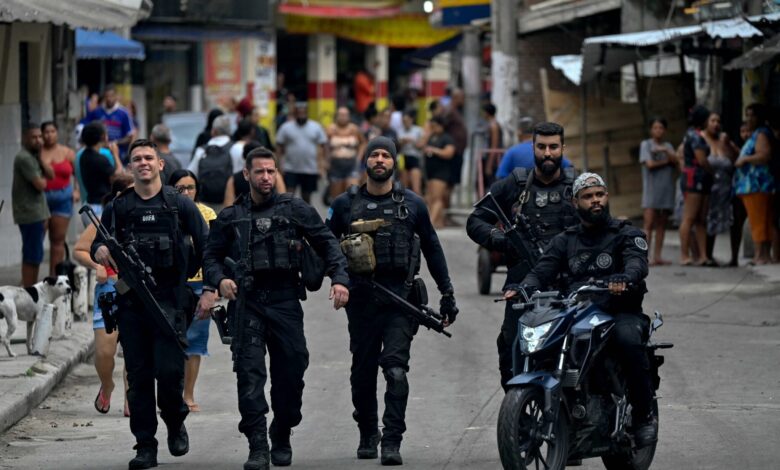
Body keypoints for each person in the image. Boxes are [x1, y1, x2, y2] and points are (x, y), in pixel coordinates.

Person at [203, 146, 350, 469]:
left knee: (292, 372)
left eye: (271, 171)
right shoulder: (231, 216)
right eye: (260, 172)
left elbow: (328, 245)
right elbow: (210, 258)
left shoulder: (295, 209)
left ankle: (282, 430)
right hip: (248, 304)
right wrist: (220, 281)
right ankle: (258, 445)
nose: (266, 177)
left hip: (285, 301)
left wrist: (340, 280)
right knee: (249, 376)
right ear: (247, 175)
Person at [327, 136, 458, 466]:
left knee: (396, 370)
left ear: (395, 162)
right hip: (361, 301)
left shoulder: (412, 204)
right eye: (375, 155)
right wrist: (336, 280)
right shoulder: (345, 204)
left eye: (386, 155)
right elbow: (325, 246)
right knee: (363, 371)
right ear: (366, 161)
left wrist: (447, 293)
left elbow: (432, 248)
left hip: (401, 300)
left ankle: (392, 439)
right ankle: (368, 432)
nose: (380, 160)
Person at [92, 139, 213, 469]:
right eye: (136, 159)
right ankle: (145, 444)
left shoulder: (178, 204)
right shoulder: (119, 207)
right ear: (130, 167)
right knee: (139, 377)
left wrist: (209, 288)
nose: (143, 163)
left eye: (149, 157)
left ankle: (175, 423)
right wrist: (99, 251)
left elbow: (207, 246)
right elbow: (98, 243)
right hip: (132, 306)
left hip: (171, 302)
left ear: (161, 164)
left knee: (170, 372)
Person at [521, 172, 657, 449]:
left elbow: (637, 263)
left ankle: (644, 416)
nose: (595, 201)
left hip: (620, 312)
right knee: (542, 342)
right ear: (575, 202)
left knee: (628, 341)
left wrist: (625, 279)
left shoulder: (625, 233)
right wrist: (523, 287)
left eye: (599, 194)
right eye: (587, 196)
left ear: (606, 197)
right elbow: (542, 270)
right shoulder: (565, 240)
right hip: (578, 313)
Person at [466, 121, 576, 389]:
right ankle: (517, 404)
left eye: (553, 147)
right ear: (533, 148)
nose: (547, 153)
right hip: (522, 283)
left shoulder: (577, 186)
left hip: (569, 282)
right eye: (541, 147)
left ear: (563, 148)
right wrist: (501, 240)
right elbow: (476, 220)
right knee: (511, 343)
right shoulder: (515, 184)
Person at [73, 173, 134, 417]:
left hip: (136, 289)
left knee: (134, 349)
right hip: (108, 288)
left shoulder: (147, 216)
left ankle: (133, 396)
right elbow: (79, 250)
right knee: (104, 351)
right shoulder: (101, 220)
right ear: (118, 196)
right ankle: (107, 385)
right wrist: (97, 265)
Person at [168, 169, 219, 413]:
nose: (186, 192)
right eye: (180, 188)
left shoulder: (208, 213)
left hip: (200, 284)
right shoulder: (166, 211)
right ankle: (169, 394)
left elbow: (215, 252)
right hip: (172, 285)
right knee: (169, 339)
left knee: (195, 342)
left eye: (190, 187)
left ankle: (188, 395)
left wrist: (214, 286)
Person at [734, 103, 777, 265]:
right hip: (756, 185)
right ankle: (763, 254)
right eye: (747, 115)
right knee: (762, 220)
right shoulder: (758, 133)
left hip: (757, 184)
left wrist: (744, 159)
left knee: (758, 220)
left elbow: (764, 155)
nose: (749, 119)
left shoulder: (761, 134)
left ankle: (761, 254)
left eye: (752, 115)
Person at [13, 123, 53, 287]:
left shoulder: (35, 157)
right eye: (33, 137)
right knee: (32, 255)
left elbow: (51, 174)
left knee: (35, 255)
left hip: (39, 213)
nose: (38, 140)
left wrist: (41, 157)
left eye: (39, 137)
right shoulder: (24, 158)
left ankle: (28, 287)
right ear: (24, 139)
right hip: (30, 214)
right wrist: (42, 179)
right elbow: (41, 184)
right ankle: (29, 291)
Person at [41, 121, 79, 276]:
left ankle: (54, 277)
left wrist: (76, 190)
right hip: (41, 199)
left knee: (58, 240)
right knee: (37, 240)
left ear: (57, 133)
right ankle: (30, 279)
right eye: (46, 132)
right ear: (42, 135)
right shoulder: (38, 153)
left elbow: (77, 174)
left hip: (63, 198)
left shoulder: (67, 152)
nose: (49, 135)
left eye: (52, 131)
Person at [701, 112, 739, 265]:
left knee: (731, 220)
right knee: (710, 220)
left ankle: (733, 258)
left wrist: (729, 144)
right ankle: (707, 255)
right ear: (706, 123)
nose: (716, 124)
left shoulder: (724, 141)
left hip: (727, 186)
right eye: (712, 120)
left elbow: (738, 158)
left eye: (718, 121)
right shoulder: (701, 138)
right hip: (708, 188)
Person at [639, 117, 677, 266]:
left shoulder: (668, 145)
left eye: (661, 128)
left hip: (666, 189)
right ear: (651, 130)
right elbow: (649, 164)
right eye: (655, 128)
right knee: (648, 224)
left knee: (662, 224)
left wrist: (666, 151)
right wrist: (666, 161)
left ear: (665, 130)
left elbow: (677, 161)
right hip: (651, 190)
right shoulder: (646, 145)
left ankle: (658, 256)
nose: (658, 131)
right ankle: (643, 257)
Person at [679, 105, 714, 266]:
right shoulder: (695, 136)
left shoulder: (694, 135)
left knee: (701, 219)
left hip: (700, 180)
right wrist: (712, 172)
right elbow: (701, 159)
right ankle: (685, 255)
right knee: (690, 217)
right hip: (695, 179)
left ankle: (703, 255)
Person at [276, 102, 328, 204]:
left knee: (307, 197)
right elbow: (279, 145)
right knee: (288, 195)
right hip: (290, 168)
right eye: (299, 112)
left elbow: (324, 145)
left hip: (310, 168)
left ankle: (305, 217)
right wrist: (279, 164)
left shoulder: (316, 127)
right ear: (295, 113)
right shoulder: (286, 127)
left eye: (303, 112)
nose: (301, 114)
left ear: (307, 113)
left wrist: (323, 163)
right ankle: (288, 217)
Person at [496, 117, 573, 178]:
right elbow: (569, 168)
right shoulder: (552, 152)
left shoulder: (512, 152)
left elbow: (501, 175)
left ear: (519, 133)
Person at [188, 115, 234, 210]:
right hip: (227, 205)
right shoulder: (234, 149)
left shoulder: (201, 150)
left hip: (204, 205)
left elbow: (190, 174)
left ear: (213, 131)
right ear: (230, 132)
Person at [80, 85, 136, 163]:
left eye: (111, 96)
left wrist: (115, 143)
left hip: (119, 156)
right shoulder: (97, 112)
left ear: (116, 96)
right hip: (99, 154)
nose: (109, 99)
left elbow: (130, 136)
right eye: (107, 96)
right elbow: (86, 129)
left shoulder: (124, 113)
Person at [78, 121, 124, 216]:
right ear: (103, 136)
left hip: (90, 204)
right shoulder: (99, 159)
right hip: (99, 207)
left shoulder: (84, 154)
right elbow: (118, 176)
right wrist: (115, 154)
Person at [223, 142, 287, 208]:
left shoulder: (233, 179)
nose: (266, 177)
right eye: (259, 171)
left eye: (270, 171)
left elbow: (228, 205)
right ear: (246, 174)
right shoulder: (233, 179)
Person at [423, 116, 457, 228]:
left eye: (435, 126)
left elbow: (449, 153)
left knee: (437, 197)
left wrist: (434, 150)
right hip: (431, 171)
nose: (434, 128)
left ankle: (430, 222)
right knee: (431, 197)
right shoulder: (431, 137)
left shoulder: (446, 138)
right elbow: (421, 144)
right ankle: (439, 222)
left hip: (441, 172)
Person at [327, 106, 366, 201]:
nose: (343, 117)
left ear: (349, 116)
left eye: (345, 115)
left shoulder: (354, 129)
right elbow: (324, 146)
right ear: (336, 116)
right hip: (335, 165)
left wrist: (359, 157)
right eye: (341, 115)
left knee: (353, 195)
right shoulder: (330, 129)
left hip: (351, 164)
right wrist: (325, 161)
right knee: (336, 199)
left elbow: (363, 143)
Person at [397, 110, 424, 195]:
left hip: (414, 157)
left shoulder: (418, 130)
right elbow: (397, 146)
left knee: (416, 188)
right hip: (403, 157)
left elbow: (422, 145)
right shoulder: (399, 131)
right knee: (404, 187)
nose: (406, 122)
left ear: (411, 120)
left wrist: (412, 141)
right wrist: (401, 142)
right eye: (404, 121)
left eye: (407, 120)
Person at [481, 103, 504, 189]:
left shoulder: (493, 125)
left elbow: (494, 145)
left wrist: (489, 165)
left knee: (492, 183)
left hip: (493, 159)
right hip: (489, 158)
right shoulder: (490, 124)